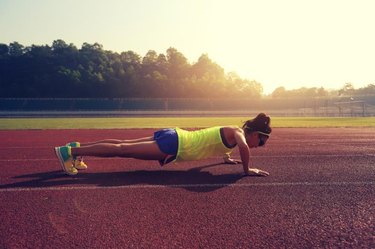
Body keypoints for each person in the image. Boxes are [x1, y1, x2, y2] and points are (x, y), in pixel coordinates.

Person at [54, 113, 272, 177]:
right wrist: (247, 170)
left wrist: (226, 158)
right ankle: (69, 151)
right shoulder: (238, 133)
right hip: (175, 144)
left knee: (122, 144)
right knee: (123, 150)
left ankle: (77, 148)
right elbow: (243, 147)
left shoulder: (233, 135)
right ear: (254, 133)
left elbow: (225, 146)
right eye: (260, 142)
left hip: (174, 136)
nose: (258, 146)